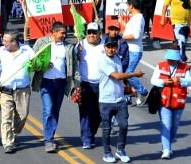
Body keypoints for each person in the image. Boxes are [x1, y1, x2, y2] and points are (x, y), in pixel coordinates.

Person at [31, 21, 77, 153]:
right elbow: (33, 61)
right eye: (62, 33)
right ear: (54, 32)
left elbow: (74, 65)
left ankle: (50, 134)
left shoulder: (68, 47)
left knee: (55, 111)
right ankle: (49, 140)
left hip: (61, 83)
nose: (64, 35)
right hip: (46, 83)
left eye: (65, 33)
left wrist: (77, 84)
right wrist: (43, 64)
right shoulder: (41, 43)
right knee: (48, 110)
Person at [0, 31, 33, 153]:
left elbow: (36, 63)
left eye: (7, 41)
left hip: (23, 90)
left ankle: (13, 132)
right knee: (6, 118)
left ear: (14, 42)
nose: (4, 43)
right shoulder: (2, 51)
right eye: (4, 40)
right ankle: (8, 143)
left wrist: (35, 64)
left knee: (22, 115)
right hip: (6, 90)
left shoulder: (27, 50)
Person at [98, 35, 143, 163]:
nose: (111, 49)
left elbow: (121, 77)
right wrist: (135, 74)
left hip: (120, 99)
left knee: (124, 125)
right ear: (104, 47)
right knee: (107, 129)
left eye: (113, 47)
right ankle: (107, 153)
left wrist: (128, 87)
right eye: (109, 47)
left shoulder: (117, 58)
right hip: (106, 101)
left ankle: (120, 150)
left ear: (117, 48)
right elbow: (116, 76)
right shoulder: (103, 60)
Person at [150, 49, 191, 159]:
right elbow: (153, 80)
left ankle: (167, 144)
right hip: (164, 101)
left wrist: (179, 80)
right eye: (169, 59)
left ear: (177, 59)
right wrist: (163, 82)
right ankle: (166, 150)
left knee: (174, 126)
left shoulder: (185, 68)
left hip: (178, 102)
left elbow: (190, 81)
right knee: (166, 126)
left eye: (172, 59)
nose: (170, 61)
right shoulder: (160, 66)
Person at [74, 22, 103, 150]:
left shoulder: (105, 44)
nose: (91, 35)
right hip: (85, 83)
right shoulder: (81, 45)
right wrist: (77, 54)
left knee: (99, 113)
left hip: (102, 84)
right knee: (85, 112)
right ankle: (86, 138)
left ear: (99, 34)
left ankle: (91, 133)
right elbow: (72, 62)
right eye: (89, 32)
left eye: (94, 33)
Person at [122, 0, 148, 105]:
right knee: (123, 72)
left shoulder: (138, 18)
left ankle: (143, 91)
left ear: (131, 6)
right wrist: (121, 22)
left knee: (128, 74)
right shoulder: (135, 17)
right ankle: (129, 95)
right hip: (129, 50)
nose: (127, 7)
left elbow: (136, 35)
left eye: (128, 5)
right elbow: (129, 29)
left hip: (134, 51)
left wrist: (123, 37)